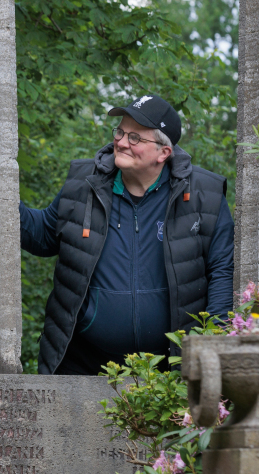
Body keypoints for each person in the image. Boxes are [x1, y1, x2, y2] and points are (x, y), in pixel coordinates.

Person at [20, 94, 234, 375]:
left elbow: (222, 271)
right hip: (82, 362)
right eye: (120, 132)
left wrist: (211, 346)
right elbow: (43, 236)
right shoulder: (83, 184)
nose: (121, 142)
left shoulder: (205, 196)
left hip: (169, 369)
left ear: (163, 153)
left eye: (135, 138)